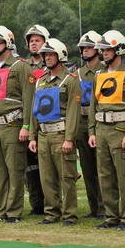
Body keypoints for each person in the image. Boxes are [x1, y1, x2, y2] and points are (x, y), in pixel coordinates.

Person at [0, 25, 35, 223]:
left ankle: (13, 212)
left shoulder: (20, 66)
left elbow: (29, 99)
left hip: (13, 126)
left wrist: (26, 126)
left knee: (15, 170)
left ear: (9, 44)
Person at [88, 30, 125, 230]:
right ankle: (111, 217)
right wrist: (92, 131)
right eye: (102, 50)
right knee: (105, 175)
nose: (104, 53)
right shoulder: (99, 75)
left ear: (119, 50)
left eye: (108, 49)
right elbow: (94, 103)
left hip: (120, 129)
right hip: (101, 129)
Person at [29, 38, 81, 227]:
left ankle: (70, 215)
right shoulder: (40, 81)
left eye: (51, 54)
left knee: (67, 177)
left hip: (61, 134)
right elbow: (35, 110)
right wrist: (32, 136)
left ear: (61, 56)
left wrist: (70, 138)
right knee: (47, 177)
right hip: (43, 135)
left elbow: (74, 113)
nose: (48, 58)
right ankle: (51, 213)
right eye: (45, 55)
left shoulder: (71, 80)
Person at [75, 30, 105, 219]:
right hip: (82, 123)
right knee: (87, 168)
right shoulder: (77, 73)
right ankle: (94, 208)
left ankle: (105, 208)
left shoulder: (104, 70)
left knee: (103, 168)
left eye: (89, 47)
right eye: (83, 48)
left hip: (101, 123)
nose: (85, 50)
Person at [23, 24, 49, 216]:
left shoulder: (53, 65)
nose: (33, 43)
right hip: (28, 120)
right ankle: (37, 204)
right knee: (31, 166)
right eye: (31, 41)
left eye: (37, 40)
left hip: (48, 121)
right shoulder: (23, 66)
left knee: (50, 165)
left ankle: (53, 202)